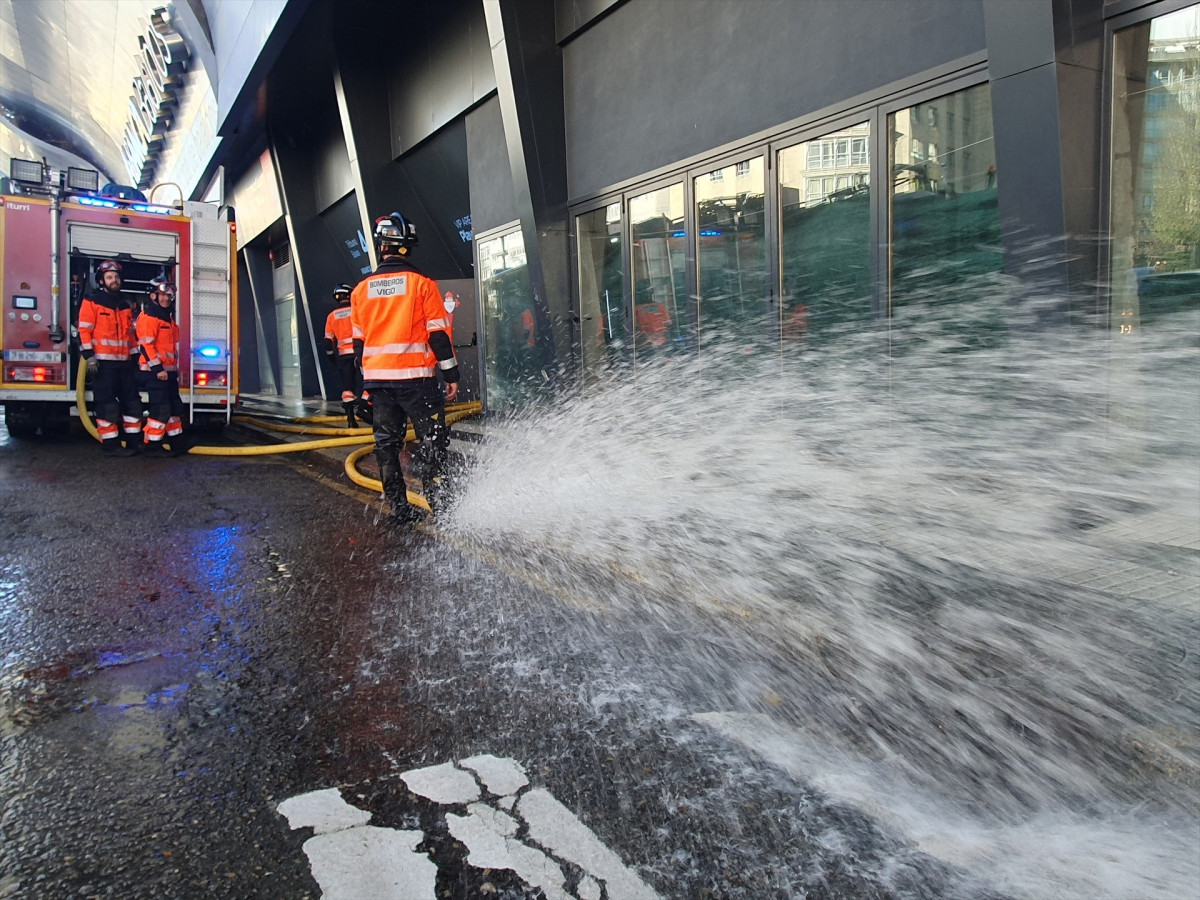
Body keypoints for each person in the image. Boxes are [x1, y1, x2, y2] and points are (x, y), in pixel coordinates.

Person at [350, 211, 459, 527]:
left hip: (379, 383)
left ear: (382, 246)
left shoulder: (360, 291)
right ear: (406, 247)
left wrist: (371, 379)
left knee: (387, 444)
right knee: (433, 440)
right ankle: (440, 507)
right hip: (417, 381)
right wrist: (451, 375)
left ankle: (400, 508)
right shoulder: (422, 285)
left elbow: (359, 349)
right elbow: (438, 336)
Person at [77, 259, 142, 456]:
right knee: (107, 405)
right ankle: (111, 445)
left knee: (132, 403)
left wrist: (136, 358)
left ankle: (134, 442)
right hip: (103, 364)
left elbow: (129, 334)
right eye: (109, 277)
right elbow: (84, 331)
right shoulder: (91, 302)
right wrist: (90, 357)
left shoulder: (125, 304)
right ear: (101, 281)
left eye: (116, 277)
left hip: (124, 364)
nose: (114, 280)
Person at [135, 277, 187, 456]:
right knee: (160, 408)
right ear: (153, 296)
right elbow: (145, 346)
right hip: (155, 373)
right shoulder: (150, 317)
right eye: (162, 295)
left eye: (169, 296)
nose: (166, 299)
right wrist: (158, 369)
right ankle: (153, 446)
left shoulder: (167, 318)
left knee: (174, 408)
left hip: (168, 373)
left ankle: (176, 441)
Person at [323, 283, 364, 428]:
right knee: (368, 382)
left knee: (347, 388)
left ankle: (351, 419)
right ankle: (368, 411)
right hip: (361, 354)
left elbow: (328, 342)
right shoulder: (357, 311)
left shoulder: (331, 317)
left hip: (343, 357)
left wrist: (332, 359)